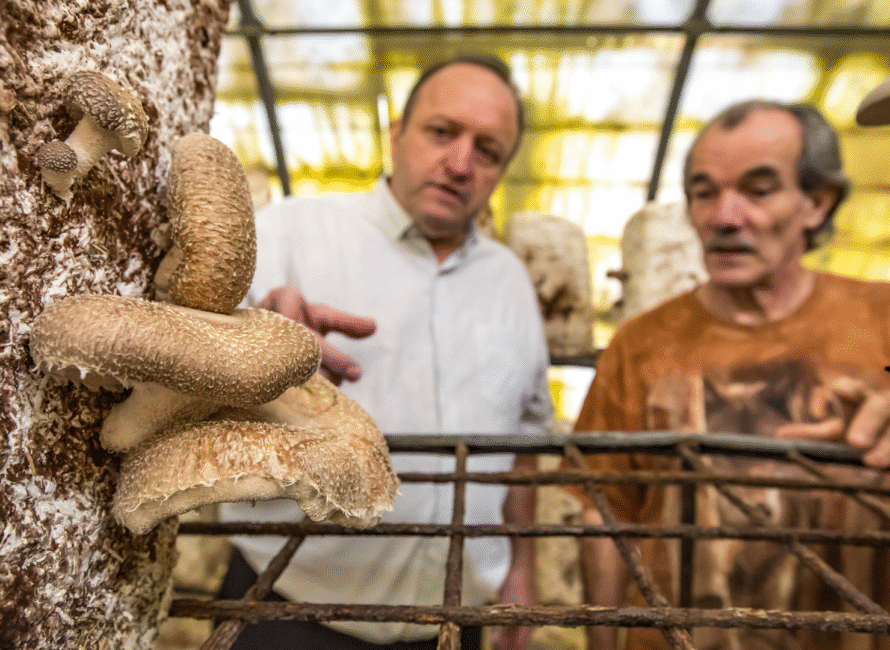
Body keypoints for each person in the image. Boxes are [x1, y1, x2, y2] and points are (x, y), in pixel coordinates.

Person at [217, 53, 553, 650]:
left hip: (457, 622)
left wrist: (522, 572)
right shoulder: (289, 232)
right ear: (396, 133)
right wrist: (252, 339)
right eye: (442, 132)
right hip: (290, 612)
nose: (459, 164)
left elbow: (520, 453)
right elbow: (190, 369)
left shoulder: (512, 281)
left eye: (488, 150)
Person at [568, 99, 890, 650]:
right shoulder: (641, 344)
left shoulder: (879, 321)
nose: (724, 216)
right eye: (704, 192)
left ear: (816, 202)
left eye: (758, 190)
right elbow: (604, 511)